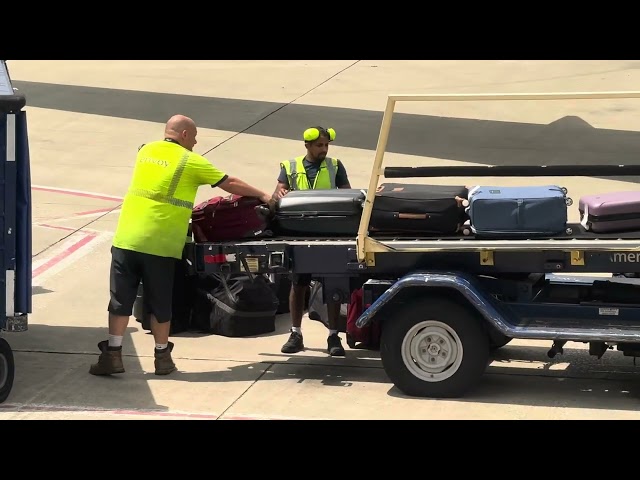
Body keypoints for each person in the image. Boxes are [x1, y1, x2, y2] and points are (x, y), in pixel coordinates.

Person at [90, 114, 274, 377]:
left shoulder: (146, 151)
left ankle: (113, 356)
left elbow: (148, 155)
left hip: (127, 239)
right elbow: (229, 183)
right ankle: (162, 357)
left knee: (120, 301)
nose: (196, 143)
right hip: (161, 244)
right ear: (185, 135)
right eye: (195, 138)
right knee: (161, 303)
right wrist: (262, 194)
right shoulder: (191, 161)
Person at [274, 126, 351, 356]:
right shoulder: (290, 166)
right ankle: (296, 333)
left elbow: (347, 194)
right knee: (298, 285)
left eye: (326, 145)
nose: (324, 149)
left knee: (333, 284)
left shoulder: (335, 165)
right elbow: (277, 193)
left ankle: (333, 336)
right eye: (319, 145)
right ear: (307, 145)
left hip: (329, 234)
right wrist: (279, 194)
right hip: (299, 233)